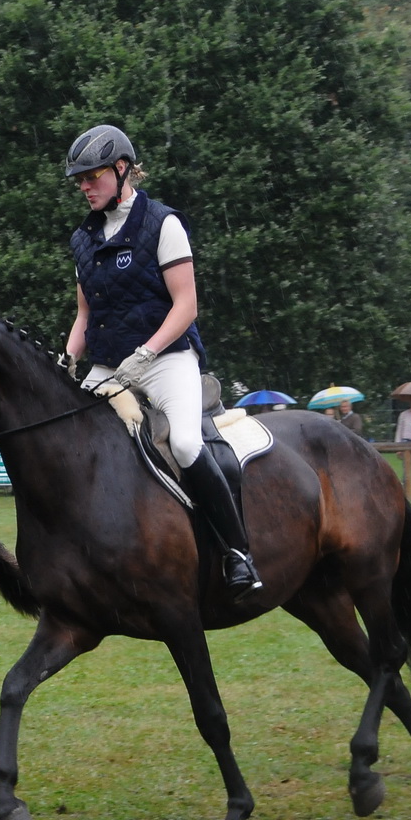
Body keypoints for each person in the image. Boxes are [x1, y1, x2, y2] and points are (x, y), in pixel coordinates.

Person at [63, 123, 259, 591]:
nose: (84, 187)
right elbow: (85, 313)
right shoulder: (82, 239)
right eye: (80, 180)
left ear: (122, 169)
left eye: (92, 177)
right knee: (70, 446)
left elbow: (186, 304)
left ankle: (238, 553)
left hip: (167, 357)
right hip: (110, 364)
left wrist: (146, 353)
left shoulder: (163, 223)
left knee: (188, 444)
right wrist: (68, 359)